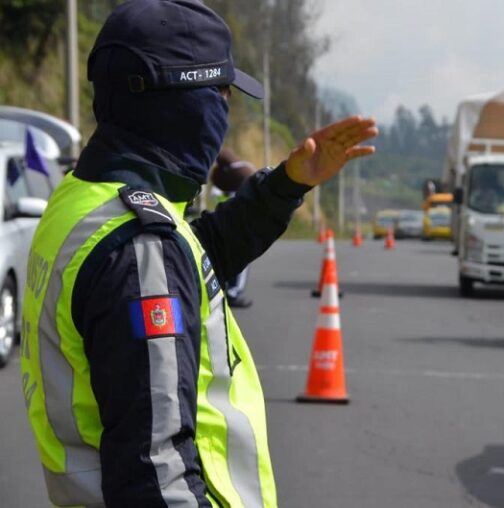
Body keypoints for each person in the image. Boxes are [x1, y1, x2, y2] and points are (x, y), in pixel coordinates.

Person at [18, 1, 377, 507]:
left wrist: (287, 184)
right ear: (181, 104)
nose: (226, 113)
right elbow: (156, 474)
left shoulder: (86, 198)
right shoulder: (141, 248)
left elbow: (194, 260)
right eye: (221, 94)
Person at [208, 148, 260, 308]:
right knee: (241, 260)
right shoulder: (241, 179)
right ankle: (233, 292)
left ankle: (223, 290)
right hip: (237, 227)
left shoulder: (230, 181)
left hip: (224, 223)